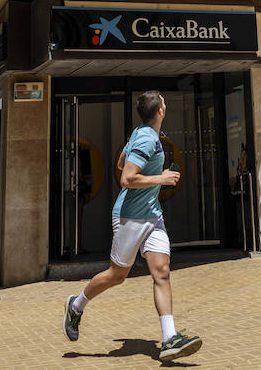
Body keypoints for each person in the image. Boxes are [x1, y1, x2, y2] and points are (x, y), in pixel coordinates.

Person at [63, 91, 202, 362]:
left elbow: (119, 163)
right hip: (129, 217)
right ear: (160, 110)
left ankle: (170, 339)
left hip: (152, 215)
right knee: (117, 275)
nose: (165, 104)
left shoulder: (142, 132)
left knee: (161, 272)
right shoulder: (147, 137)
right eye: (163, 101)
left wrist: (148, 172)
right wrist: (160, 178)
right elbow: (126, 177)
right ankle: (76, 305)